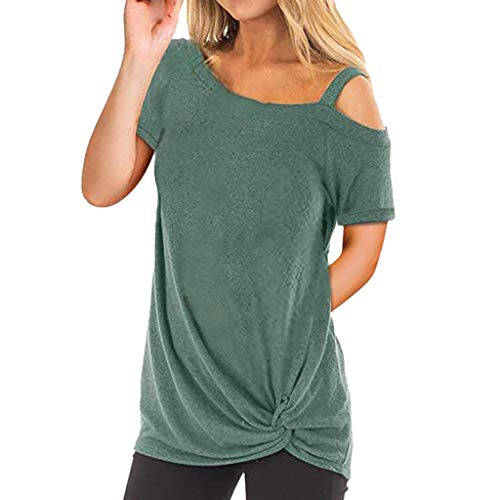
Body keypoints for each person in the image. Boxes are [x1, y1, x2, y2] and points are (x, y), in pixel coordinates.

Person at [82, 0, 395, 498]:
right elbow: (101, 187)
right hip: (182, 410)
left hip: (289, 412)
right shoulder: (178, 70)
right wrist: (138, 57)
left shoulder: (343, 94)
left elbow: (364, 250)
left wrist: (283, 322)